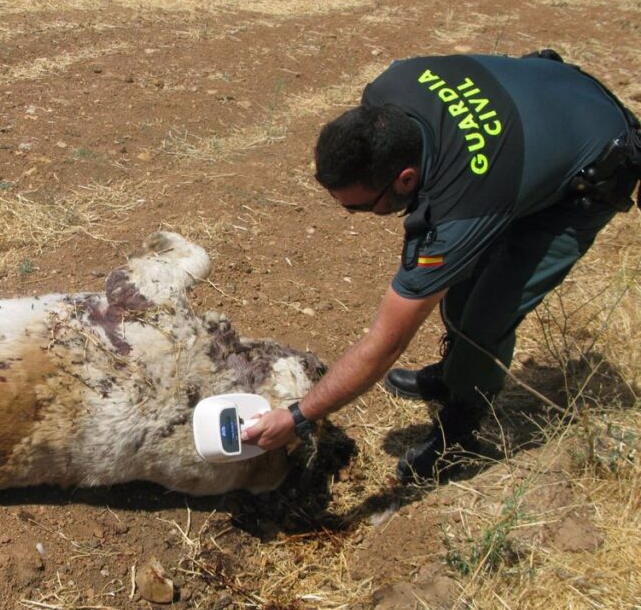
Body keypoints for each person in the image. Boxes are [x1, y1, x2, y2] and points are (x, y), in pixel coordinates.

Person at [241, 50, 641, 480]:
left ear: (406, 179)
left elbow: (384, 344)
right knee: (461, 290)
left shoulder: (460, 210)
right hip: (547, 101)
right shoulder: (387, 87)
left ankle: (461, 433)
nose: (348, 216)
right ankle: (454, 375)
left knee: (486, 316)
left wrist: (298, 416)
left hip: (593, 161)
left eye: (359, 208)